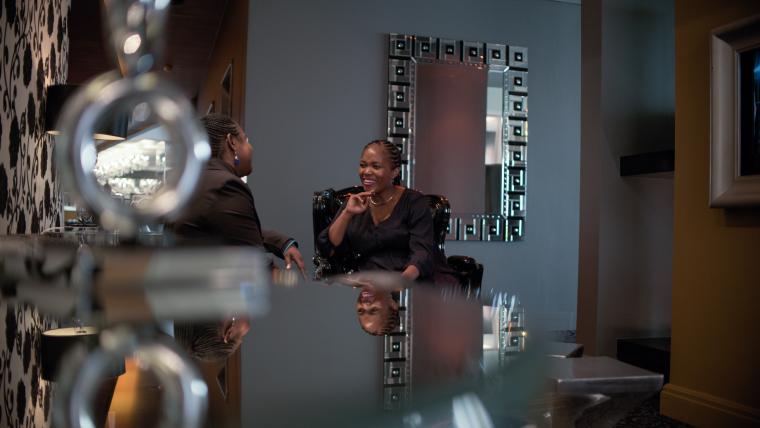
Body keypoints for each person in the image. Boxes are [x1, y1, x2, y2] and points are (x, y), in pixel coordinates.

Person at [170, 113, 306, 356]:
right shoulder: (221, 183)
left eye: (242, 335)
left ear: (228, 331)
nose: (250, 146)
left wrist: (280, 257)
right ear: (232, 142)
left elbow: (230, 239)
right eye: (247, 140)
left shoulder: (202, 182)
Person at [317, 139, 458, 334]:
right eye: (363, 165)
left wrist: (400, 281)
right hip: (371, 278)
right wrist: (347, 213)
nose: (366, 172)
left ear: (394, 172)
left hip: (412, 281)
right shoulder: (356, 200)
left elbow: (422, 252)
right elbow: (329, 247)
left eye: (375, 166)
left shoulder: (414, 203)